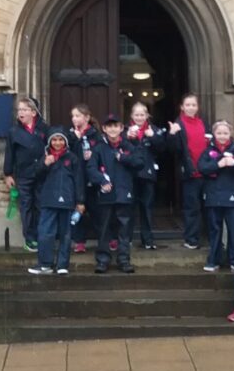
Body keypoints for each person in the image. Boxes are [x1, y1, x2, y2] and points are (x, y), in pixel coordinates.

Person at [29, 127, 85, 275]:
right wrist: (45, 164)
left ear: (65, 141)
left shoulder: (72, 158)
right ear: (50, 142)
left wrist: (80, 201)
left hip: (67, 201)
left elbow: (79, 180)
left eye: (61, 140)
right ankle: (45, 264)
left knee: (65, 234)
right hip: (48, 200)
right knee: (45, 232)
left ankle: (62, 265)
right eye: (54, 140)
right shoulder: (46, 156)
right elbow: (36, 175)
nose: (58, 143)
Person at [198, 120, 234, 273]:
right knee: (215, 230)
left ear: (230, 134)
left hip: (232, 198)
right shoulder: (208, 151)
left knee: (233, 230)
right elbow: (202, 168)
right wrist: (219, 164)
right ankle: (213, 260)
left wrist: (233, 163)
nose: (222, 136)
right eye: (219, 133)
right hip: (213, 197)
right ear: (214, 134)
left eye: (225, 133)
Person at [87, 113, 139, 274]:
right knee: (104, 229)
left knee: (124, 229)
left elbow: (140, 162)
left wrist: (123, 158)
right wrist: (101, 181)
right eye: (109, 126)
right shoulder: (98, 148)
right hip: (106, 195)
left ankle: (123, 260)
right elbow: (91, 168)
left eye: (116, 126)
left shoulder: (129, 146)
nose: (113, 129)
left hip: (124, 193)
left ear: (121, 128)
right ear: (104, 128)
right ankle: (103, 260)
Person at [3, 95, 49, 252]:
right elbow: (9, 154)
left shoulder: (44, 129)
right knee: (26, 206)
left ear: (33, 112)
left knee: (42, 205)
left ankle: (43, 236)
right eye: (19, 109)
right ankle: (30, 239)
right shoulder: (13, 131)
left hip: (42, 174)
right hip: (23, 175)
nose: (20, 112)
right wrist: (8, 174)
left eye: (24, 109)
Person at [167, 93, 210, 250]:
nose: (191, 107)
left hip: (207, 172)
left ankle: (210, 238)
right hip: (190, 172)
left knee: (208, 207)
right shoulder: (179, 124)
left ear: (197, 107)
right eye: (188, 105)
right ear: (182, 107)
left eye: (193, 105)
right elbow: (173, 150)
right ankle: (192, 239)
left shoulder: (204, 123)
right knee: (192, 208)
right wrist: (172, 134)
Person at [127, 101, 165, 250]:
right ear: (131, 115)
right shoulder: (125, 130)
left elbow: (162, 148)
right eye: (136, 114)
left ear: (147, 115)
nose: (139, 117)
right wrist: (128, 137)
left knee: (147, 208)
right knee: (129, 208)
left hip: (148, 174)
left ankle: (147, 240)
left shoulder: (154, 129)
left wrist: (153, 136)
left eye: (142, 114)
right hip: (130, 174)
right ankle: (127, 239)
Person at [66, 104, 100, 254]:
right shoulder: (69, 135)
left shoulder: (95, 134)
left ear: (86, 118)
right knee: (77, 210)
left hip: (92, 178)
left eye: (78, 116)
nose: (74, 119)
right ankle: (79, 241)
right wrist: (76, 140)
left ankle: (105, 238)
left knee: (96, 209)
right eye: (73, 116)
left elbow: (100, 153)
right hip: (75, 178)